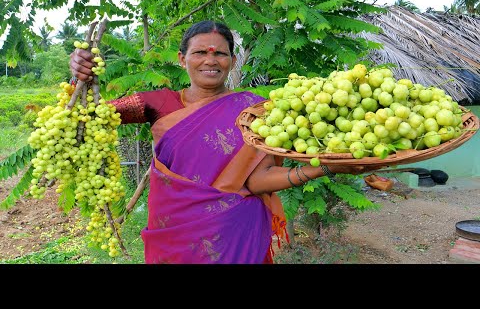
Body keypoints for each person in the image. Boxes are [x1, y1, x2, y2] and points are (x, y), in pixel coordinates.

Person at [70, 20, 378, 264]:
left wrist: (330, 167)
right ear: (182, 59)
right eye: (200, 52)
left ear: (231, 60)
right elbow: (81, 117)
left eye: (219, 53)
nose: (210, 60)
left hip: (237, 233)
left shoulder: (255, 110)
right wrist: (79, 78)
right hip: (175, 235)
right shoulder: (158, 103)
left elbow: (258, 181)